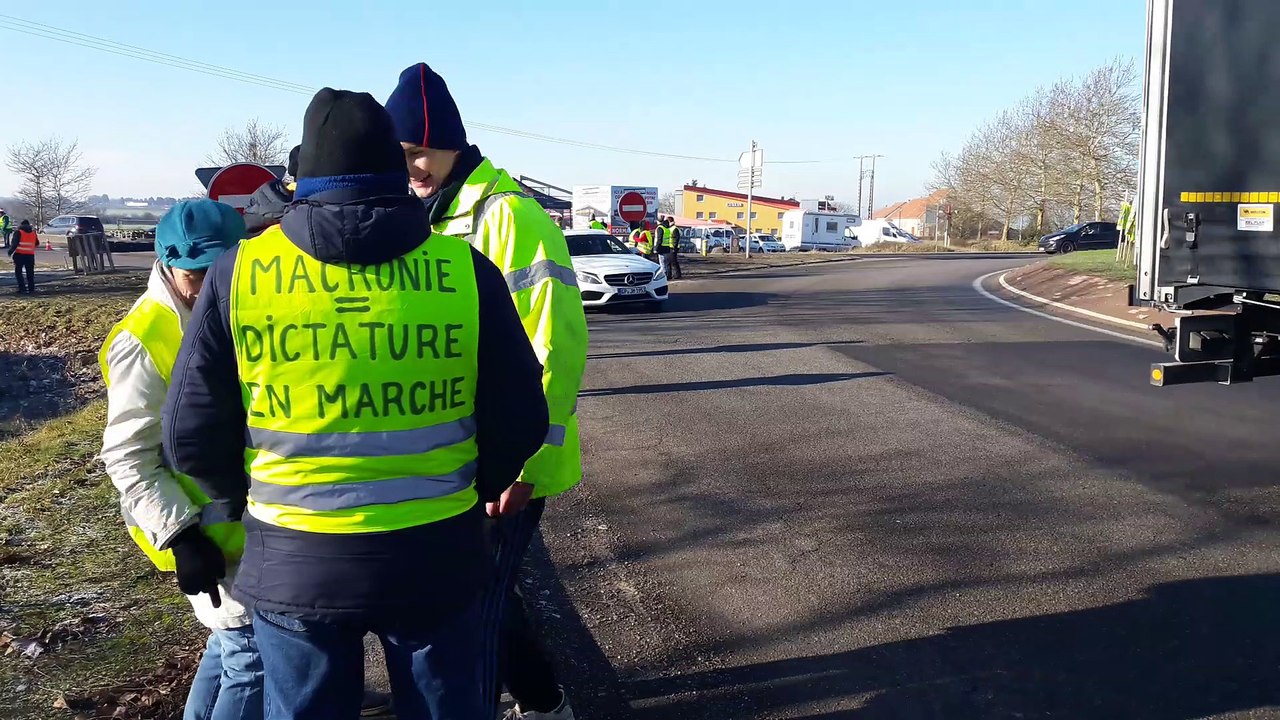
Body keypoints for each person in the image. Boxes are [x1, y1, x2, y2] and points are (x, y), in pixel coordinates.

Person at [162, 88, 548, 720]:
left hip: (293, 556)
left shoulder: (241, 270)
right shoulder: (464, 268)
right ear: (395, 171)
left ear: (303, 177)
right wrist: (480, 485)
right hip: (437, 552)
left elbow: (189, 430)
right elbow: (522, 412)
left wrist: (243, 504)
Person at [386, 62, 588, 720]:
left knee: (482, 601)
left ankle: (542, 706)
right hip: (452, 457)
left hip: (506, 458)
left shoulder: (510, 218)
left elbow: (555, 348)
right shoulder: (426, 215)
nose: (411, 167)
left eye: (420, 152)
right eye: (400, 154)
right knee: (472, 597)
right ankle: (533, 698)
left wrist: (523, 464)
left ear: (453, 144)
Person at [99, 200, 262, 720]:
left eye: (222, 271)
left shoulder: (240, 308)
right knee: (251, 658)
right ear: (168, 263)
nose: (210, 285)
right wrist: (182, 537)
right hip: (202, 533)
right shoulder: (144, 338)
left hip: (245, 525)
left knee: (230, 644)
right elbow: (128, 456)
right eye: (197, 275)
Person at [9, 219, 37, 294]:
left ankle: (22, 288)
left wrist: (10, 252)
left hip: (20, 255)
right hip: (30, 256)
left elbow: (14, 244)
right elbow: (37, 243)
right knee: (30, 273)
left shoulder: (18, 232)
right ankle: (31, 288)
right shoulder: (33, 233)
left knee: (18, 272)